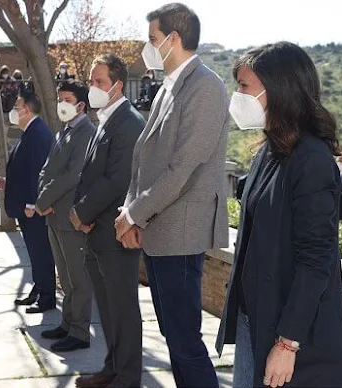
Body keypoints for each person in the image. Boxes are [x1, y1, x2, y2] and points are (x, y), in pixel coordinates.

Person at [215, 42, 342, 388]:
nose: (238, 96)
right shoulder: (271, 151)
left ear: (277, 90)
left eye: (244, 87)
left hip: (289, 335)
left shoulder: (312, 161)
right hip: (255, 321)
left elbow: (316, 259)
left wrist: (287, 342)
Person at [116, 5, 229, 387]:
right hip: (161, 230)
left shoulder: (206, 87)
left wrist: (133, 215)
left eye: (152, 39)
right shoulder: (170, 84)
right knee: (175, 340)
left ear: (173, 39)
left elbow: (183, 168)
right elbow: (145, 157)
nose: (148, 48)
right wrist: (132, 211)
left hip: (182, 232)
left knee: (185, 342)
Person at [72, 54, 145, 388]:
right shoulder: (106, 119)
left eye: (99, 82)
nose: (93, 88)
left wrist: (81, 211)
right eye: (92, 81)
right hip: (96, 234)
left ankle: (127, 377)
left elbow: (117, 180)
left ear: (117, 85)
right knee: (109, 310)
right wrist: (83, 213)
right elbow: (89, 175)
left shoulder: (128, 122)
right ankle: (112, 369)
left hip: (116, 234)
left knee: (123, 310)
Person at [36, 81, 95, 352]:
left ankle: (80, 332)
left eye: (67, 99)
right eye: (59, 98)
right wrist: (43, 201)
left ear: (81, 104)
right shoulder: (64, 131)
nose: (61, 104)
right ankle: (68, 323)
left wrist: (44, 201)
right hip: (53, 216)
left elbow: (72, 176)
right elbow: (47, 171)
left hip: (70, 218)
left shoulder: (85, 133)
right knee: (65, 277)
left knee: (78, 279)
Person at [0, 91, 56, 314]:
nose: (13, 112)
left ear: (26, 110)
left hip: (34, 209)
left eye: (17, 107)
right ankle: (39, 289)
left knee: (41, 251)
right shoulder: (31, 132)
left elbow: (39, 173)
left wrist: (32, 203)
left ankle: (46, 297)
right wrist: (8, 183)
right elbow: (25, 170)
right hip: (28, 207)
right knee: (34, 251)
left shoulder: (37, 133)